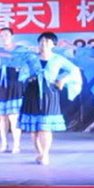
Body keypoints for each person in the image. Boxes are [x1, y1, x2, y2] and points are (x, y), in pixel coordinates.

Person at [18, 32, 82, 165]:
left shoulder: (58, 59)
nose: (44, 43)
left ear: (54, 44)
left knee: (45, 127)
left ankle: (45, 154)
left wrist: (63, 80)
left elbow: (74, 70)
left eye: (47, 41)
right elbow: (20, 69)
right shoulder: (30, 57)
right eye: (41, 41)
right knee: (34, 129)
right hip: (32, 92)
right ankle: (40, 153)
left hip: (49, 93)